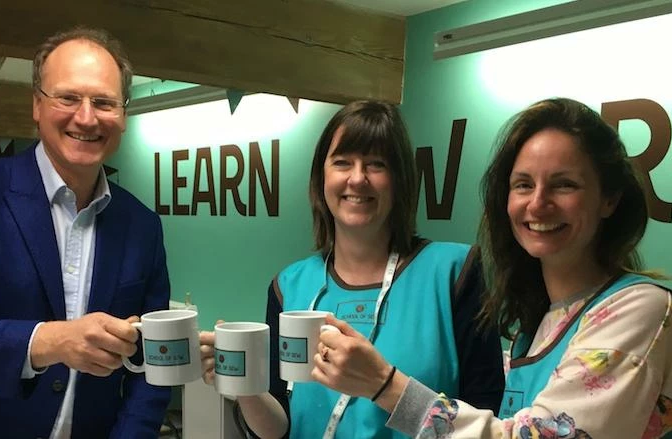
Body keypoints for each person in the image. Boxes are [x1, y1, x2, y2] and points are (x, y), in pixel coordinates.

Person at [319, 97, 672, 438]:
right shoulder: (542, 322)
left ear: (609, 198)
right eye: (523, 184)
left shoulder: (640, 312)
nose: (538, 204)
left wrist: (385, 385)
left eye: (564, 185)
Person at [0, 28, 172, 438]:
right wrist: (50, 341)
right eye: (68, 98)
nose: (87, 117)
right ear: (37, 105)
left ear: (123, 115)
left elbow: (154, 362)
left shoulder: (142, 225)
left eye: (104, 102)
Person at [199, 100, 505, 438]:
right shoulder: (289, 286)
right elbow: (280, 429)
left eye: (376, 164)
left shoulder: (454, 274)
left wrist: (383, 383)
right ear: (321, 178)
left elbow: (483, 419)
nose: (357, 179)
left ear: (400, 180)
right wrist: (245, 386)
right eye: (342, 162)